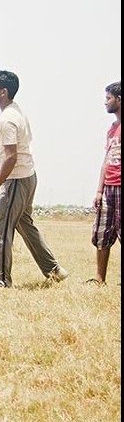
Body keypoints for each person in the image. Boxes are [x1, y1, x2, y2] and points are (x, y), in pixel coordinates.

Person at [0, 71, 67, 287]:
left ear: (3, 91)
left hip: (17, 180)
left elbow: (11, 157)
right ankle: (54, 270)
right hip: (28, 176)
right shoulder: (16, 112)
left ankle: (1, 281)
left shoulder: (7, 119)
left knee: (0, 228)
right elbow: (10, 155)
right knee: (25, 224)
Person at [89, 80, 121, 285]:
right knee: (102, 232)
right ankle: (100, 278)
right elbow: (106, 160)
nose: (105, 102)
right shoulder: (111, 129)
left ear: (119, 99)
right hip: (108, 187)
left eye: (108, 98)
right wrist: (99, 190)